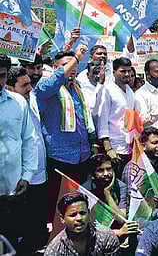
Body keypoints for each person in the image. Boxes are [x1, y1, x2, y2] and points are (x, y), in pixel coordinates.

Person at [35, 46, 95, 224]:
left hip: (81, 156)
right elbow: (54, 81)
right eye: (66, 65)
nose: (72, 68)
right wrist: (76, 57)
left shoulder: (77, 88)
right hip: (60, 159)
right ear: (55, 68)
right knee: (59, 205)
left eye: (74, 65)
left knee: (78, 205)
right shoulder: (45, 88)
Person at [6, 66, 48, 252]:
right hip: (18, 177)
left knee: (36, 219)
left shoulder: (30, 100)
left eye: (30, 83)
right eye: (24, 85)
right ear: (9, 88)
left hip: (38, 171)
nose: (30, 89)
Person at [0, 56, 37, 249]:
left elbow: (30, 140)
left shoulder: (18, 103)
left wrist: (26, 176)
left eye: (2, 76)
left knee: (9, 242)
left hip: (12, 190)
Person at [44, 192, 120, 255]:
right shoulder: (54, 250)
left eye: (82, 213)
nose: (79, 218)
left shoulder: (106, 236)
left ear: (89, 213)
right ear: (62, 218)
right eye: (73, 215)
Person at [85, 154, 140, 239]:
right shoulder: (86, 190)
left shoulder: (120, 186)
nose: (106, 173)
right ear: (93, 174)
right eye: (100, 170)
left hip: (116, 228)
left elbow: (121, 219)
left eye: (109, 169)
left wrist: (107, 193)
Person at [98, 57, 135, 178]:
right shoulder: (108, 91)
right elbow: (102, 121)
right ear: (114, 72)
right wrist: (109, 149)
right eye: (123, 71)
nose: (127, 74)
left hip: (128, 146)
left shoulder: (130, 91)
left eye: (129, 71)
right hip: (114, 148)